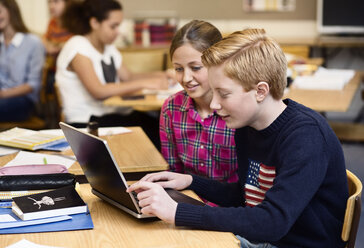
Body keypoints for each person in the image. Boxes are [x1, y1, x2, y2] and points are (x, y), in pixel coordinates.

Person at [128, 29, 348, 248]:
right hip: (264, 239)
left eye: (223, 94)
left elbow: (272, 222)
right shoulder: (247, 124)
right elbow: (247, 194)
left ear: (260, 91)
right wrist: (191, 181)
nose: (214, 104)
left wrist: (178, 212)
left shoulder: (305, 136)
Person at [56, 0, 171, 148]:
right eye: (113, 26)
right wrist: (145, 83)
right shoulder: (77, 45)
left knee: (159, 124)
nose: (118, 31)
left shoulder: (108, 47)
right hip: (87, 121)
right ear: (94, 23)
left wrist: (164, 75)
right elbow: (98, 91)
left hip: (112, 114)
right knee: (155, 130)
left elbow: (128, 77)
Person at [160, 20, 238, 195]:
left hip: (232, 208)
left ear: (219, 62)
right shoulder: (171, 108)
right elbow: (173, 172)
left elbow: (247, 184)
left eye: (195, 68)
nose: (186, 78)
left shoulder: (238, 110)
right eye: (178, 69)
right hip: (188, 202)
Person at [0, 0, 45, 122]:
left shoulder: (33, 43)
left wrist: (1, 94)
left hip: (23, 101)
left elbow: (33, 85)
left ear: (11, 10)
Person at [42, 0, 73, 95]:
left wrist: (55, 45)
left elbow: (73, 44)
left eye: (56, 2)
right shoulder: (53, 22)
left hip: (69, 70)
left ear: (67, 3)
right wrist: (48, 46)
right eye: (49, 2)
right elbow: (44, 38)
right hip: (54, 67)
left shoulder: (73, 23)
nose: (51, 6)